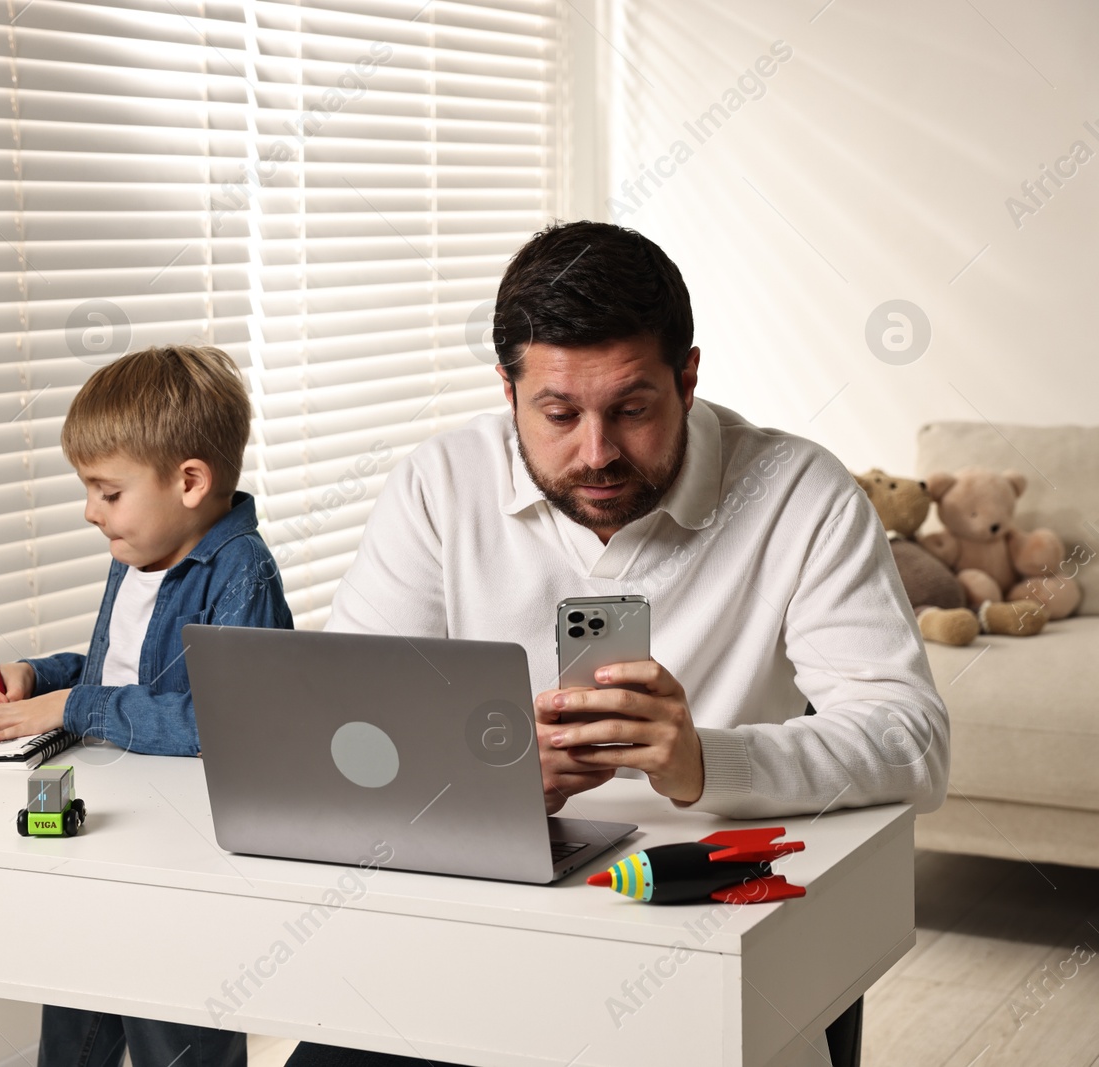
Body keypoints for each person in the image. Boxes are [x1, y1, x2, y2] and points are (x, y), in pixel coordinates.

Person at [289, 220, 948, 1067]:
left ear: (689, 376)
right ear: (507, 389)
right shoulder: (437, 485)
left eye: (632, 410)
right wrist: (482, 782)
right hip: (471, 932)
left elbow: (914, 740)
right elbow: (349, 728)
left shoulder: (799, 493)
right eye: (558, 413)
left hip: (704, 930)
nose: (596, 454)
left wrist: (708, 763)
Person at [0, 344, 294, 1067]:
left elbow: (228, 724)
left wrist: (74, 708)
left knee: (173, 1027)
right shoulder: (138, 552)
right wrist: (39, 678)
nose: (90, 511)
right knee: (76, 1007)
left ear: (190, 481)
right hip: (112, 825)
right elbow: (126, 670)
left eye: (108, 492)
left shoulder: (240, 573)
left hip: (185, 848)